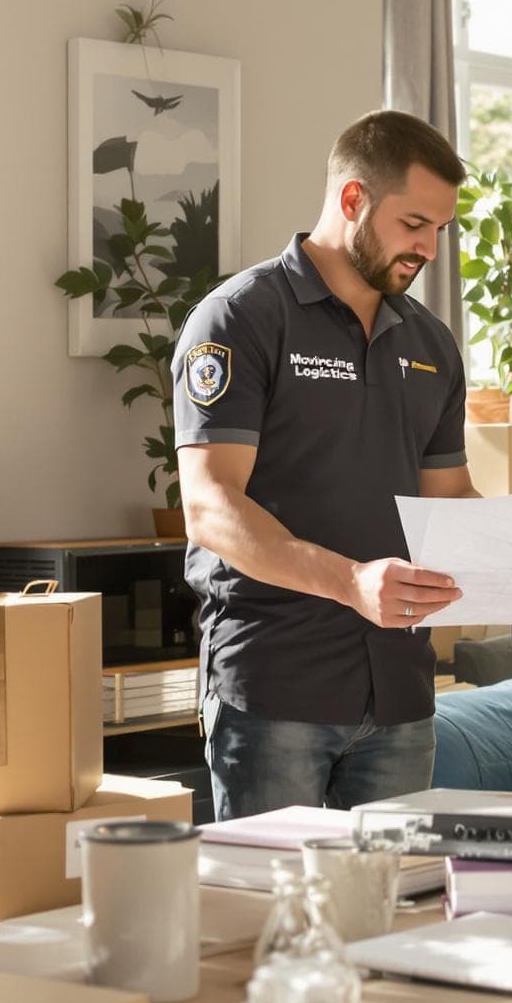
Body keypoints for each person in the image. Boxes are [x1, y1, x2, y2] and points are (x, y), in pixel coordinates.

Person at [172, 110, 477, 820]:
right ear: (352, 201)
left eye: (440, 229)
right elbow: (210, 505)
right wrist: (351, 582)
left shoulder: (433, 343)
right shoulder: (239, 319)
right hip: (276, 692)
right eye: (413, 225)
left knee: (395, 920)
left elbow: (451, 496)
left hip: (402, 695)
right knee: (273, 920)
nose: (429, 248)